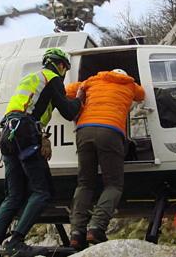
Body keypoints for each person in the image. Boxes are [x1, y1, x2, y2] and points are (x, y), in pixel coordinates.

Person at [0, 48, 82, 257]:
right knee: (42, 191)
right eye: (65, 68)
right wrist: (80, 98)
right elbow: (68, 111)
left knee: (14, 195)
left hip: (8, 134)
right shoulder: (52, 78)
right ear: (61, 65)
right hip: (27, 134)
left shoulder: (31, 78)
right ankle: (15, 242)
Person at [65, 69, 145, 250]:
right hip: (110, 131)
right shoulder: (130, 84)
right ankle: (96, 228)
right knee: (113, 184)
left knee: (85, 183)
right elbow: (142, 95)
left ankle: (77, 233)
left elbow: (68, 90)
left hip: (84, 130)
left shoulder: (92, 81)